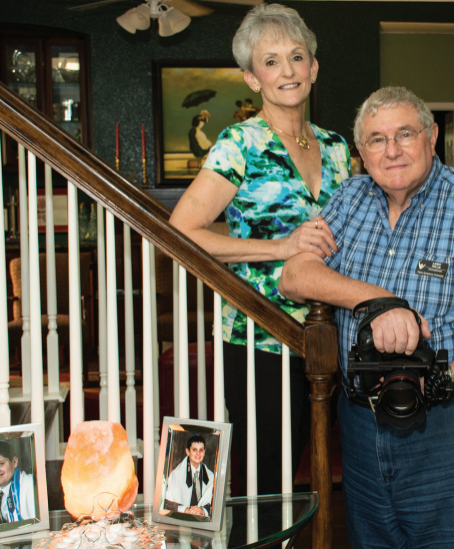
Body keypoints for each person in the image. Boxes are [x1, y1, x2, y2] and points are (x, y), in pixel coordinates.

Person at [279, 87, 454, 548]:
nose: (392, 150)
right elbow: (295, 275)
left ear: (432, 136)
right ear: (361, 152)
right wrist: (380, 301)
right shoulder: (349, 198)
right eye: (377, 139)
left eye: (405, 133)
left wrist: (443, 378)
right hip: (363, 424)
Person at [169, 3, 351, 496]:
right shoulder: (239, 144)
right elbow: (182, 230)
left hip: (326, 334)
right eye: (270, 61)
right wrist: (279, 247)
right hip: (260, 337)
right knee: (264, 477)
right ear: (252, 79)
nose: (287, 70)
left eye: (296, 56)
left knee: (316, 471)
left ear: (313, 67)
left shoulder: (336, 148)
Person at [163, 435, 215, 518]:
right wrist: (185, 510)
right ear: (187, 451)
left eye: (201, 450)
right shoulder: (176, 475)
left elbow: (215, 502)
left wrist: (202, 510)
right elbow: (166, 503)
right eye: (194, 450)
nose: (198, 453)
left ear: (204, 452)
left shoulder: (211, 476)